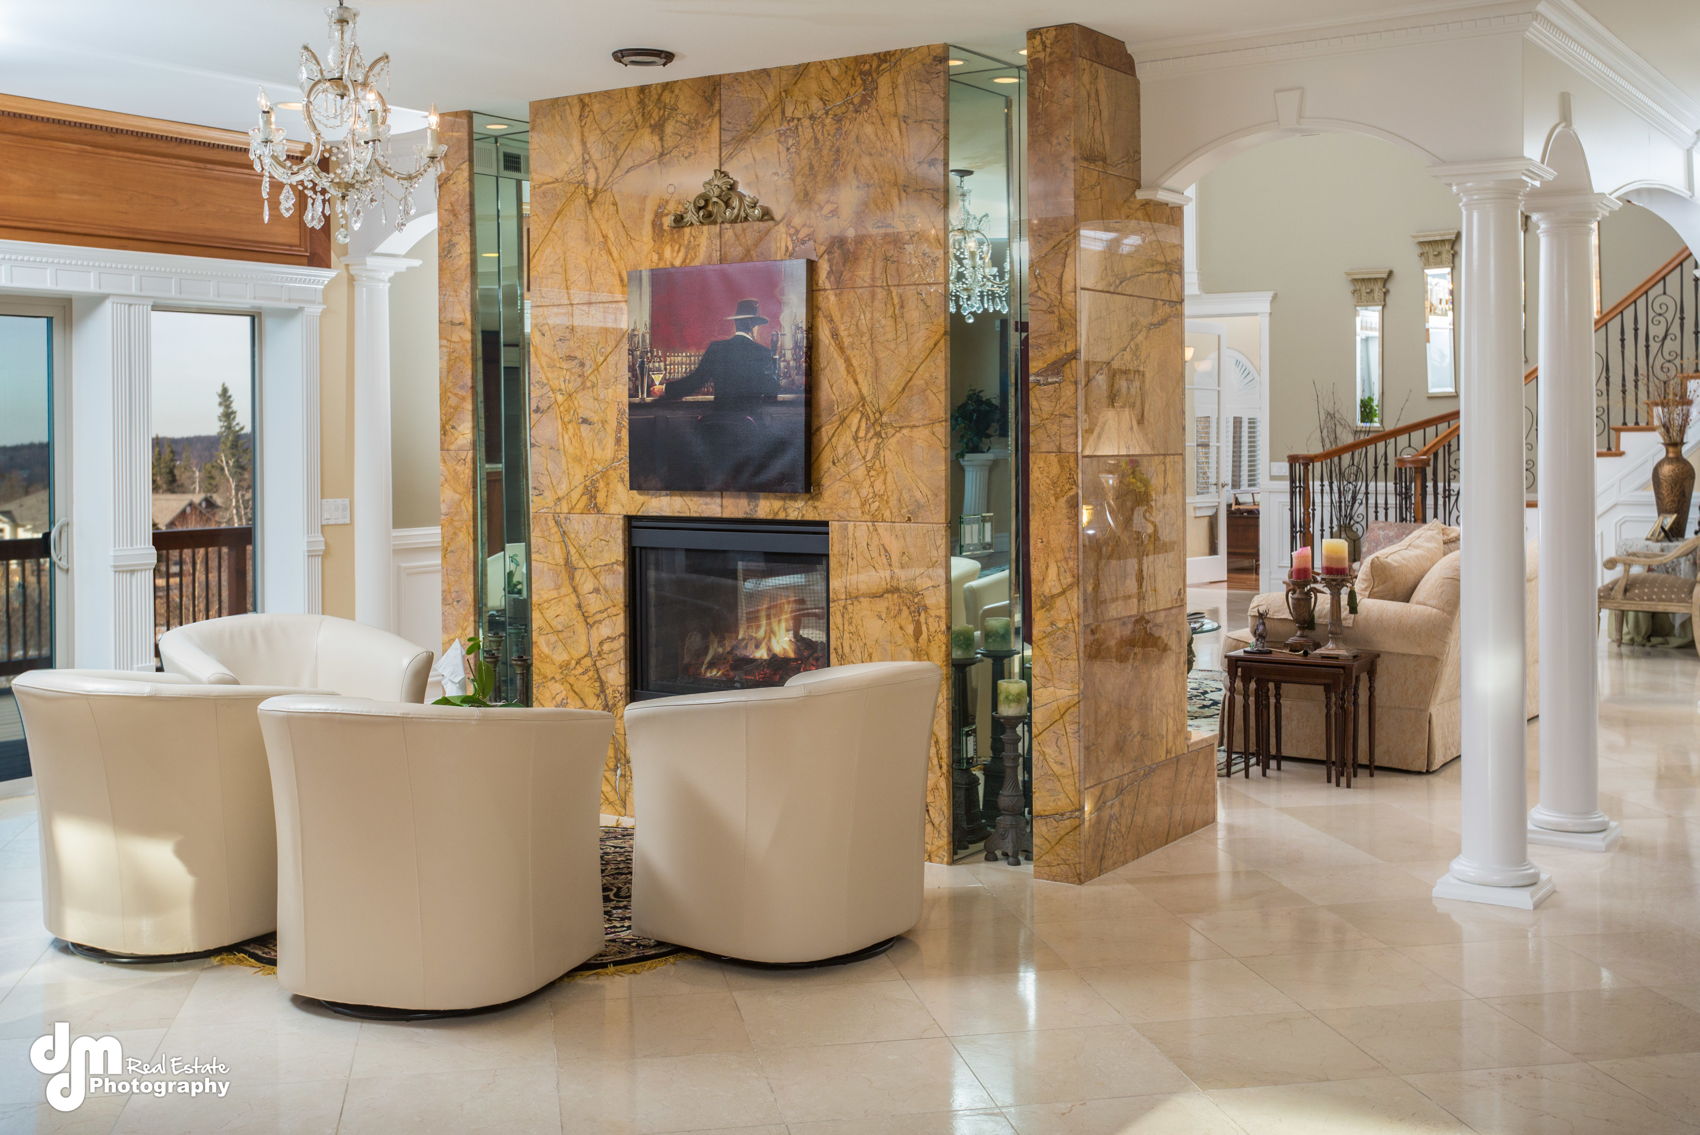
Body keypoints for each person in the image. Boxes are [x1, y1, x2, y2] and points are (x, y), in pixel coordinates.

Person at [655, 299, 779, 406]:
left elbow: (695, 381)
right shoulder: (762, 352)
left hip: (720, 420)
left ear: (736, 323)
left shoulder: (716, 348)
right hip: (749, 423)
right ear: (753, 326)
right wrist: (775, 356)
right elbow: (772, 390)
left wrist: (665, 389)